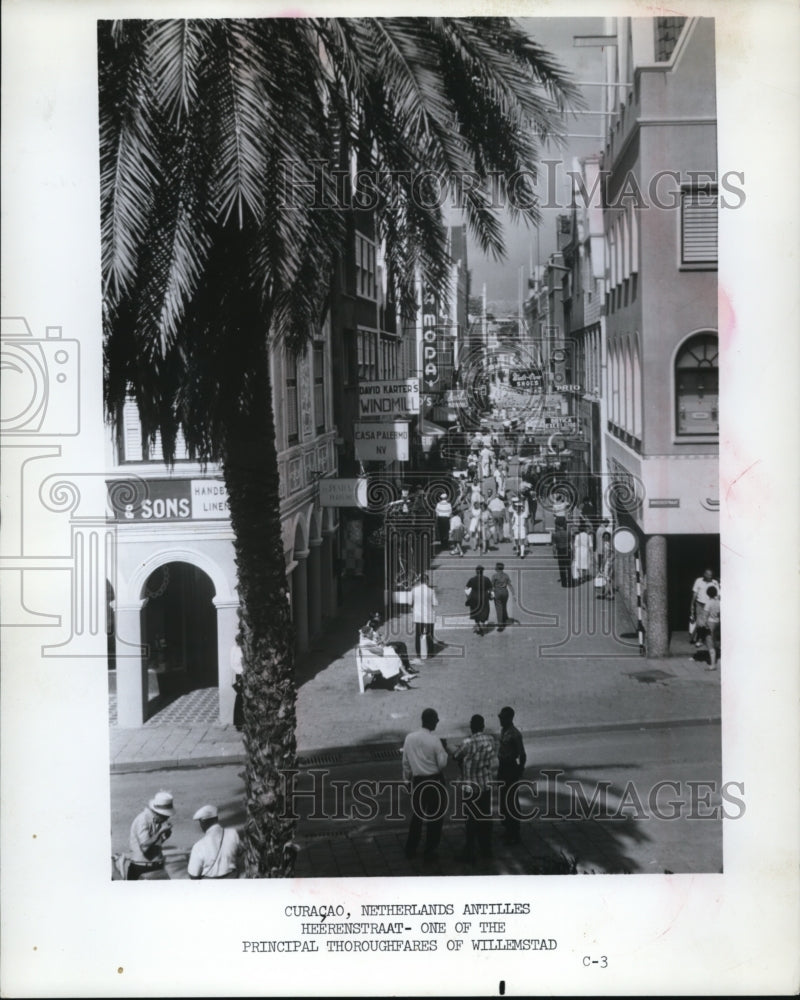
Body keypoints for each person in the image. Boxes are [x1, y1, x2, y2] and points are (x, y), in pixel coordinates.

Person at [402, 708, 450, 861]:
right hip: (435, 781)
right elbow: (442, 764)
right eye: (436, 720)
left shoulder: (409, 738)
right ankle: (430, 850)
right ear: (431, 721)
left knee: (417, 817)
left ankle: (411, 848)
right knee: (435, 818)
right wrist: (445, 751)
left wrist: (407, 781)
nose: (437, 722)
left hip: (418, 782)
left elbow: (405, 763)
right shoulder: (435, 741)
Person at [453, 715, 497, 863]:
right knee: (485, 817)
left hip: (471, 786)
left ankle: (470, 850)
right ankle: (487, 849)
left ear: (472, 726)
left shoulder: (468, 742)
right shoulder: (490, 739)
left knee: (471, 818)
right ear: (483, 726)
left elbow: (456, 755)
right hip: (485, 784)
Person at [358, 615, 418, 690]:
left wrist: (380, 643)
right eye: (371, 633)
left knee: (391, 653)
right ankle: (397, 681)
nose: (372, 633)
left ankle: (403, 676)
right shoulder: (366, 643)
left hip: (374, 657)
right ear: (366, 635)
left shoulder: (368, 639)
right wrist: (380, 643)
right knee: (390, 657)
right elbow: (380, 651)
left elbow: (379, 648)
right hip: (370, 662)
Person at [127, 790, 175, 880]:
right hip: (141, 867)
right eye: (165, 816)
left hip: (156, 865)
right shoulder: (143, 820)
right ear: (157, 813)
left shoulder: (157, 820)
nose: (167, 818)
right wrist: (160, 832)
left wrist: (164, 837)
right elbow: (145, 846)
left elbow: (155, 844)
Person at [497, 707, 526, 845]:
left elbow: (522, 754)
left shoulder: (515, 734)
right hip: (502, 767)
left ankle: (515, 832)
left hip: (510, 768)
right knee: (503, 800)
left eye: (502, 718)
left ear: (509, 719)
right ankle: (508, 828)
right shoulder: (504, 731)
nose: (500, 720)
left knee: (511, 801)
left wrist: (520, 770)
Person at [187, 804, 242, 879]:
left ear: (202, 823)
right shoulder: (233, 834)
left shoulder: (198, 846)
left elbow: (193, 875)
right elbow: (240, 857)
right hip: (232, 882)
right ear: (217, 819)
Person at [410, 573, 438, 659]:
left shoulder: (414, 590)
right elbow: (435, 603)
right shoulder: (431, 591)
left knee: (418, 634)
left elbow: (410, 602)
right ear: (427, 581)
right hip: (429, 615)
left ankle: (419, 653)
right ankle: (431, 653)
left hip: (418, 616)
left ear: (420, 581)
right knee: (430, 634)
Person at [691, 568, 721, 648]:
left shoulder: (714, 582)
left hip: (710, 604)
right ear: (704, 574)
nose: (709, 576)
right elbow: (695, 593)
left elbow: (718, 594)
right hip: (700, 604)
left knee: (710, 622)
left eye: (711, 575)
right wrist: (692, 605)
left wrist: (716, 605)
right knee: (700, 623)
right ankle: (700, 639)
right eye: (708, 574)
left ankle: (711, 641)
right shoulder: (698, 581)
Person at [465, 565, 493, 636]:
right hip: (484, 597)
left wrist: (468, 596)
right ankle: (483, 623)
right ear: (482, 572)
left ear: (476, 572)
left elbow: (467, 588)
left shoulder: (472, 579)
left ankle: (477, 624)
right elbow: (490, 589)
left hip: (474, 597)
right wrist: (491, 595)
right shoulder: (486, 579)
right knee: (484, 610)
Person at [701, 585, 721, 670]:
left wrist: (704, 624)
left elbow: (705, 615)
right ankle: (715, 659)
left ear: (708, 594)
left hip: (710, 623)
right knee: (715, 640)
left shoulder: (708, 603)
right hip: (717, 622)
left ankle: (712, 664)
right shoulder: (718, 602)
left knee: (710, 643)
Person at [491, 562, 513, 631]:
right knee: (504, 605)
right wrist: (514, 594)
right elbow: (510, 585)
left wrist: (491, 593)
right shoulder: (506, 575)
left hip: (497, 592)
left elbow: (492, 586)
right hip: (505, 592)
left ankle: (500, 625)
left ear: (497, 568)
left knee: (498, 608)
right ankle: (505, 617)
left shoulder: (494, 576)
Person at [597, 531, 615, 600]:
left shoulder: (605, 545)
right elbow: (613, 554)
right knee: (608, 578)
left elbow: (605, 556)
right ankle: (606, 593)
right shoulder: (610, 544)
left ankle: (610, 594)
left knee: (607, 578)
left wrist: (602, 566)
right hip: (610, 562)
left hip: (607, 563)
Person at [553, 516, 571, 587]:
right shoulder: (568, 533)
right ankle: (570, 582)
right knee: (569, 567)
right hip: (567, 550)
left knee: (562, 567)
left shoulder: (555, 534)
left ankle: (564, 583)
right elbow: (570, 543)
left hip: (560, 551)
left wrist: (554, 554)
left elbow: (554, 546)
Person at [231, 642, 244, 731]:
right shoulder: (236, 649)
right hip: (240, 675)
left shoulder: (235, 649)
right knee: (240, 697)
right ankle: (239, 722)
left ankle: (240, 722)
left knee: (241, 697)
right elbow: (233, 664)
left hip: (242, 674)